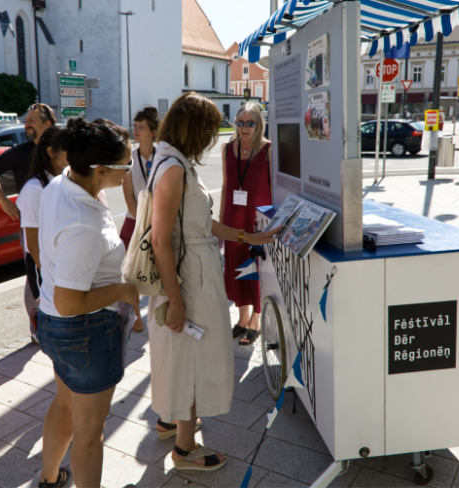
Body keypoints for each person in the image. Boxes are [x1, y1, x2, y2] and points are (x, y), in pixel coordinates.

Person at [148, 92, 278, 471]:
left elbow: (200, 222)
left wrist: (245, 237)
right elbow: (160, 239)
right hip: (189, 278)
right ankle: (186, 449)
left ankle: (179, 424)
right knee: (193, 358)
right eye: (209, 128)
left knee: (188, 356)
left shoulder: (173, 160)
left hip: (193, 271)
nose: (214, 137)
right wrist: (175, 300)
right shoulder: (173, 167)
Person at [36, 118, 141, 488]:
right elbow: (70, 301)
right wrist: (123, 290)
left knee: (65, 405)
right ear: (100, 170)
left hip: (52, 322)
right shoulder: (83, 225)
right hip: (84, 329)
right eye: (126, 165)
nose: (130, 171)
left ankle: (49, 479)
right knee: (90, 433)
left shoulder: (64, 180)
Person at [0, 103, 56, 343]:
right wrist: (3, 201)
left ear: (48, 124)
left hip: (58, 222)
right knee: (34, 273)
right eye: (25, 121)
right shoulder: (19, 152)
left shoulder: (61, 149)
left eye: (32, 121)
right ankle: (37, 326)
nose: (27, 125)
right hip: (31, 225)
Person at [219, 102, 273, 346]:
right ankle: (242, 319)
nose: (243, 128)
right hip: (233, 218)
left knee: (256, 269)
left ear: (258, 124)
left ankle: (256, 320)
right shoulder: (227, 149)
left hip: (257, 220)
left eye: (249, 123)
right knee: (237, 268)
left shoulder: (268, 150)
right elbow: (225, 185)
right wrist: (221, 219)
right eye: (239, 122)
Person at [16, 126, 67, 325]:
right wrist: (52, 276)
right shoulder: (34, 189)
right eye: (67, 148)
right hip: (44, 269)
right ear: (51, 152)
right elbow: (33, 245)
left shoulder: (63, 181)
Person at [120, 106, 159, 250]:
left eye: (141, 127)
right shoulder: (129, 159)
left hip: (160, 223)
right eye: (135, 126)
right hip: (135, 222)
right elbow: (129, 196)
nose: (135, 130)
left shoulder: (163, 158)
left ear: (152, 132)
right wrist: (143, 225)